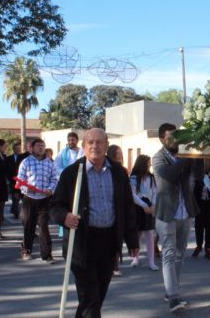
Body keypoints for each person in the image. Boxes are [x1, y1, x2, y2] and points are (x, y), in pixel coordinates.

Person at [50, 128, 138, 318]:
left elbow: (127, 208)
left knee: (96, 296)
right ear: (84, 146)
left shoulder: (118, 173)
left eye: (99, 142)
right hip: (82, 243)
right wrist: (64, 217)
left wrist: (132, 241)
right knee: (90, 297)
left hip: (108, 242)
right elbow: (55, 206)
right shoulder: (72, 173)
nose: (95, 146)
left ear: (106, 145)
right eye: (90, 142)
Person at [152, 123, 203, 312]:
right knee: (169, 254)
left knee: (181, 254)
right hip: (166, 214)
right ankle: (173, 297)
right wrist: (188, 154)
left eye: (178, 136)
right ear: (162, 139)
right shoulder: (157, 158)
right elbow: (170, 175)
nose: (176, 140)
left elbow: (199, 176)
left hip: (185, 212)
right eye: (172, 137)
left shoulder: (184, 155)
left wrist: (199, 155)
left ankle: (172, 292)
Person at [18, 138, 58, 263]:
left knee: (44, 226)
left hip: (44, 199)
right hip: (29, 199)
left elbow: (54, 178)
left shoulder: (49, 163)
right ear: (32, 148)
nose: (41, 148)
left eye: (43, 146)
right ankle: (26, 250)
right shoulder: (26, 162)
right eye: (38, 146)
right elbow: (20, 180)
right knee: (29, 225)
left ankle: (47, 254)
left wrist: (51, 189)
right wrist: (26, 189)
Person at [129, 154, 159, 270]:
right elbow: (133, 195)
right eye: (148, 163)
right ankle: (135, 257)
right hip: (138, 208)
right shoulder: (134, 178)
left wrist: (154, 205)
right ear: (142, 164)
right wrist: (143, 205)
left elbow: (155, 192)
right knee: (138, 234)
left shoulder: (151, 178)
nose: (150, 165)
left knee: (150, 234)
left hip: (149, 207)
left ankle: (151, 262)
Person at [107, 144, 125, 276]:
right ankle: (111, 265)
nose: (119, 156)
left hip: (120, 208)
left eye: (121, 154)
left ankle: (116, 265)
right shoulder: (108, 168)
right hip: (109, 207)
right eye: (117, 154)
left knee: (118, 239)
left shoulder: (123, 170)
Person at [6, 141, 25, 218]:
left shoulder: (24, 158)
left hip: (23, 182)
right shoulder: (9, 158)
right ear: (13, 149)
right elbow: (7, 170)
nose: (18, 150)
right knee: (15, 199)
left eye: (19, 149)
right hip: (13, 181)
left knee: (24, 199)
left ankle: (24, 212)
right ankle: (15, 212)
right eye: (16, 149)